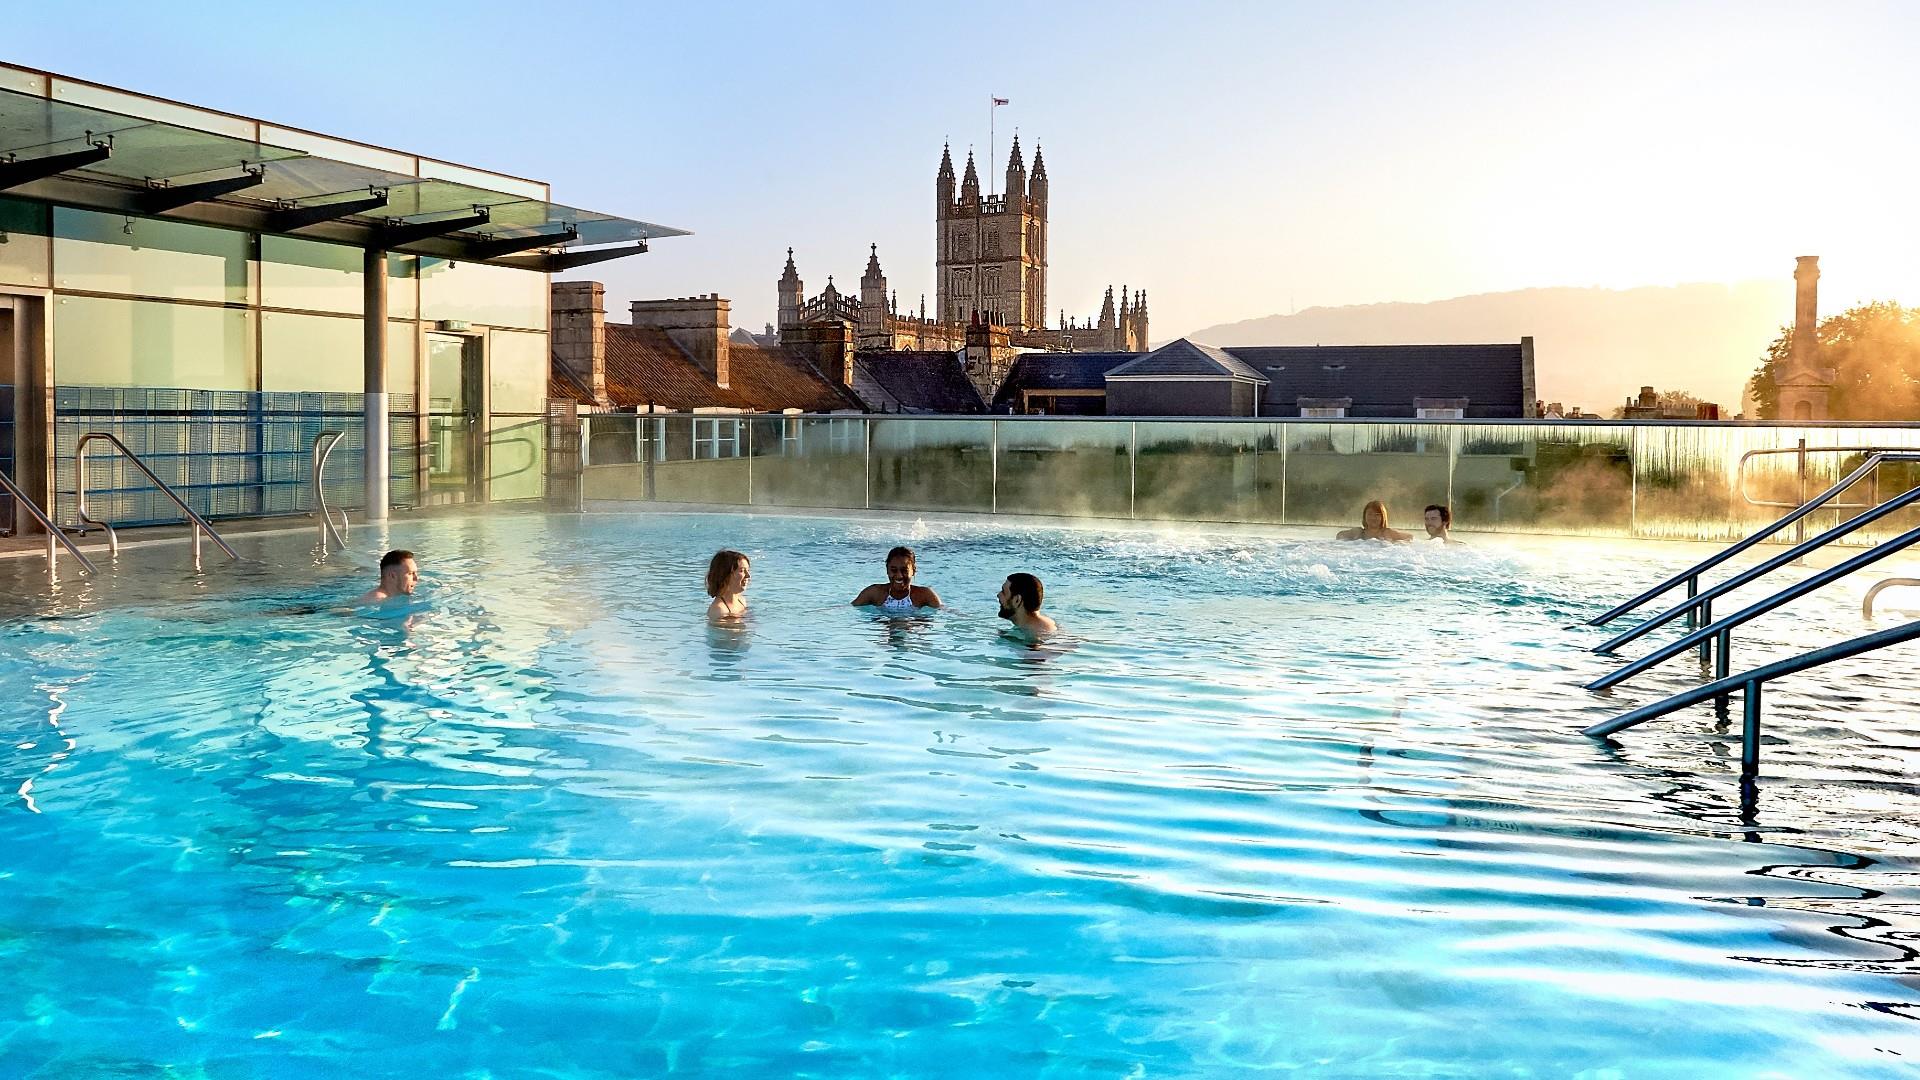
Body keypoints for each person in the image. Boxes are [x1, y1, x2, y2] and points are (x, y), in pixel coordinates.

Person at [851, 546, 943, 612]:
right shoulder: (874, 593)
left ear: (913, 571)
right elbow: (847, 608)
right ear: (887, 570)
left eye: (904, 570)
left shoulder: (925, 595)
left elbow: (945, 612)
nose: (899, 576)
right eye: (894, 570)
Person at [997, 572, 1057, 637]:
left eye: (1003, 592)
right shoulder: (1049, 623)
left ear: (1017, 600)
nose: (998, 595)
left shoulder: (1034, 638)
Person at [706, 549, 750, 623]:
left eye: (748, 570)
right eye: (742, 571)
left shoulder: (742, 601)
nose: (748, 576)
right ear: (725, 575)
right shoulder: (718, 610)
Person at [1336, 500, 1412, 542]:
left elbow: (1410, 537)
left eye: (1377, 515)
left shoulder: (1388, 533)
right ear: (1364, 516)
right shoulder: (1359, 532)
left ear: (1383, 517)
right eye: (1370, 514)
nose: (1373, 518)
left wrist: (1396, 544)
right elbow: (1339, 535)